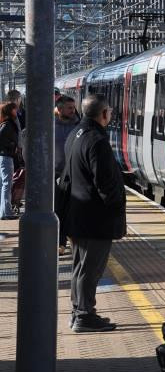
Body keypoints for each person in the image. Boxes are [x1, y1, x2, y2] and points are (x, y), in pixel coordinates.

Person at [64, 94, 126, 333]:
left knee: (80, 267)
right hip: (95, 219)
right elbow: (106, 183)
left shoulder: (76, 134)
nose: (110, 114)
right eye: (109, 111)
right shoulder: (97, 140)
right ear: (103, 114)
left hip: (78, 214)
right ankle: (84, 315)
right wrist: (116, 212)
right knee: (91, 269)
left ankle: (78, 310)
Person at [54, 95, 80, 255]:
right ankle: (60, 242)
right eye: (69, 108)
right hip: (54, 173)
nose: (73, 111)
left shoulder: (78, 126)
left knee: (72, 211)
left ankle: (73, 241)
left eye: (73, 107)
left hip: (72, 174)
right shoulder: (49, 125)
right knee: (57, 210)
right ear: (60, 109)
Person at [0, 102, 19, 221]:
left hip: (4, 156)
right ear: (10, 111)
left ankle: (3, 211)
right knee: (7, 184)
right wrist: (11, 145)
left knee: (3, 184)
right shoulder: (7, 125)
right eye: (15, 109)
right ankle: (6, 212)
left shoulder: (5, 124)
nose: (16, 111)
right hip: (6, 156)